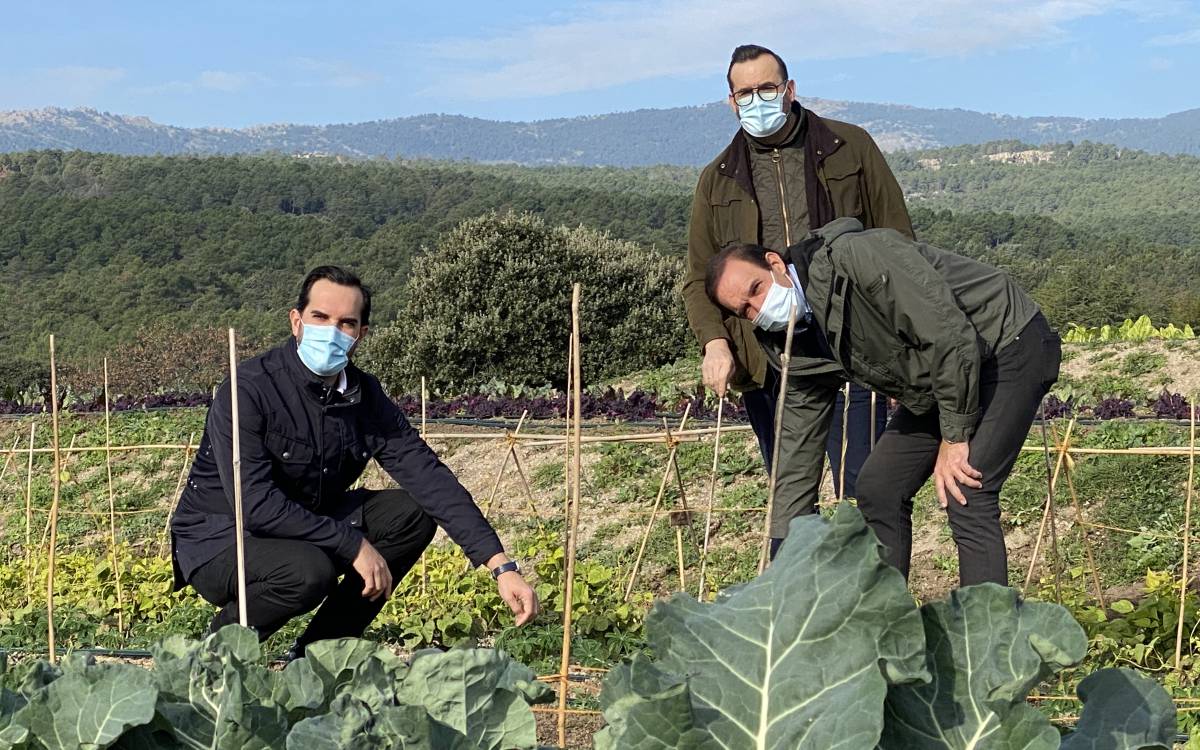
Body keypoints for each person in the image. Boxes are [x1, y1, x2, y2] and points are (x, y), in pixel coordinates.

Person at [170, 266, 538, 654]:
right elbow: (255, 504)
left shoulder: (363, 395)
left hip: (305, 520)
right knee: (309, 572)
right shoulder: (249, 388)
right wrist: (352, 544)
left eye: (346, 323)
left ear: (360, 334)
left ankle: (317, 655)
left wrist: (500, 565)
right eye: (320, 317)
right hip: (222, 537)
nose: (331, 331)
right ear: (296, 322)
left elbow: (426, 474)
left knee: (411, 513)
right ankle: (216, 653)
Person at [704, 218, 1061, 585]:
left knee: (967, 492)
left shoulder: (856, 259)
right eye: (745, 310)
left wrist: (954, 439)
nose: (759, 308)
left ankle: (983, 637)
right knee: (879, 488)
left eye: (756, 289)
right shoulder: (792, 343)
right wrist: (781, 557)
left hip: (1005, 345)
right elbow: (796, 448)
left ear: (775, 264)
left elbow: (949, 336)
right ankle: (886, 630)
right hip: (941, 380)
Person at [682, 44, 913, 553]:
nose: (756, 100)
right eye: (745, 93)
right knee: (790, 499)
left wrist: (904, 340)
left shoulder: (850, 148)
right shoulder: (717, 180)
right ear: (730, 101)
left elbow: (899, 243)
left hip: (857, 343)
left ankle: (871, 611)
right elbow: (699, 278)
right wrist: (715, 343)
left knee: (867, 489)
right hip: (772, 362)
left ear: (789, 90)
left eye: (766, 89)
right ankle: (799, 615)